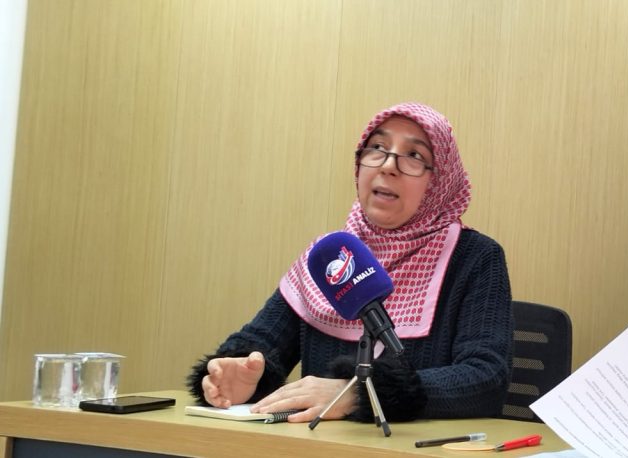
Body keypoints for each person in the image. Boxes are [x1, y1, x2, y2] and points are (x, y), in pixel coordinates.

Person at [187, 102, 513, 423]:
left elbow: (485, 379)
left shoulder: (474, 257)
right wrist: (240, 376)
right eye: (377, 148)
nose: (388, 165)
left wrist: (360, 393)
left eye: (414, 155)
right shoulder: (331, 256)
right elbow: (262, 345)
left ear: (439, 182)